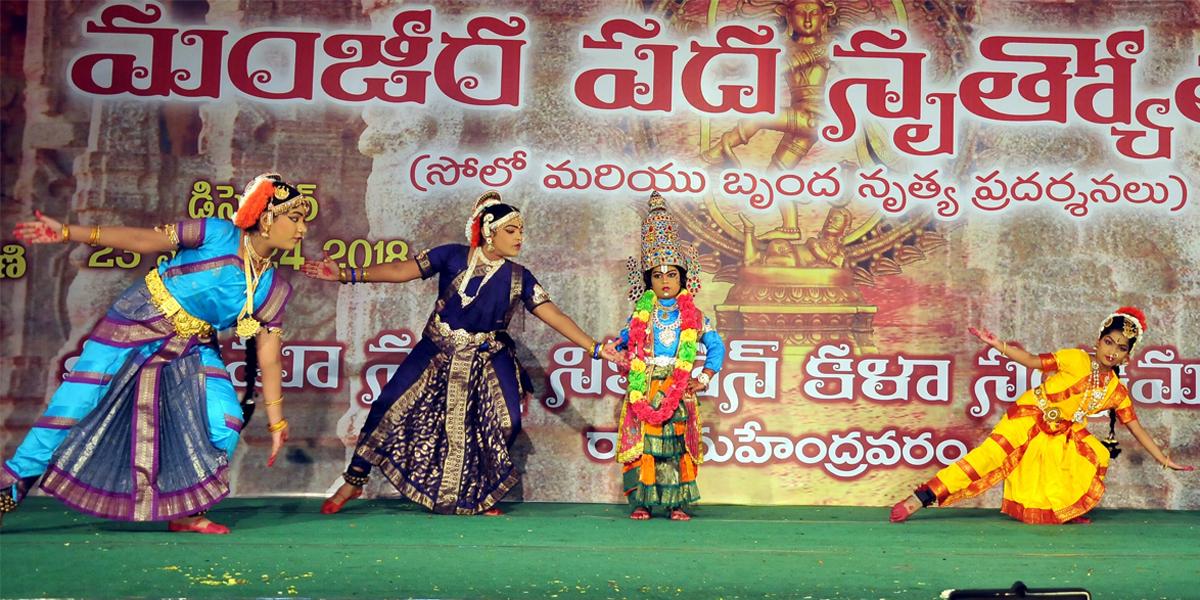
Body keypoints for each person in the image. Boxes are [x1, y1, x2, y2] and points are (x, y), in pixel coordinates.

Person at [1, 173, 306, 533]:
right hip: (138, 317)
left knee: (225, 420)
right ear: (268, 218)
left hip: (191, 346)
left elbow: (269, 359)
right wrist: (68, 232)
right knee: (77, 401)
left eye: (304, 221)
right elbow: (143, 239)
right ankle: (12, 481)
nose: (302, 230)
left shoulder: (272, 288)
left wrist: (277, 422)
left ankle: (185, 510)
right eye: (296, 219)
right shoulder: (216, 233)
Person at [304, 190, 610, 516]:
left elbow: (555, 315)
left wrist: (596, 348)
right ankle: (354, 478)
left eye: (521, 230)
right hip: (437, 348)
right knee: (389, 404)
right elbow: (400, 271)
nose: (520, 236)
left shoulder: (519, 277)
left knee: (507, 422)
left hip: (488, 355)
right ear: (488, 233)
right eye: (511, 230)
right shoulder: (450, 256)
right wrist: (346, 274)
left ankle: (478, 494)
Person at [890, 307, 1194, 524]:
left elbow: (1136, 428)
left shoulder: (1116, 391)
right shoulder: (1074, 359)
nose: (1112, 351)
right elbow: (1033, 362)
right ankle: (920, 499)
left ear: (1128, 356)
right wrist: (999, 346)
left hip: (1061, 434)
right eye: (1108, 342)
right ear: (1098, 341)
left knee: (1092, 455)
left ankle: (1064, 512)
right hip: (1029, 416)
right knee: (985, 459)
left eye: (1121, 348)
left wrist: (1163, 459)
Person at [603, 192, 725, 521]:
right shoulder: (641, 314)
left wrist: (704, 376)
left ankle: (675, 505)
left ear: (684, 278)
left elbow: (717, 347)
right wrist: (615, 349)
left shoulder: (695, 317)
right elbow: (623, 340)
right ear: (648, 280)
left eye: (672, 275)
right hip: (645, 387)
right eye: (658, 275)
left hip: (679, 386)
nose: (665, 281)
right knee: (642, 445)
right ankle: (641, 502)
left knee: (674, 446)